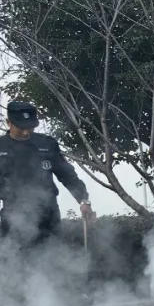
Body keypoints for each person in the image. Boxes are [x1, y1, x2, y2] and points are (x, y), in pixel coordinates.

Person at [0, 101, 95, 248]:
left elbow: (67, 175)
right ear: (8, 123)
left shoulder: (47, 144)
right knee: (15, 259)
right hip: (13, 217)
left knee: (53, 257)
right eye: (21, 128)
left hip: (48, 216)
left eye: (30, 127)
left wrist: (83, 200)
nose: (26, 132)